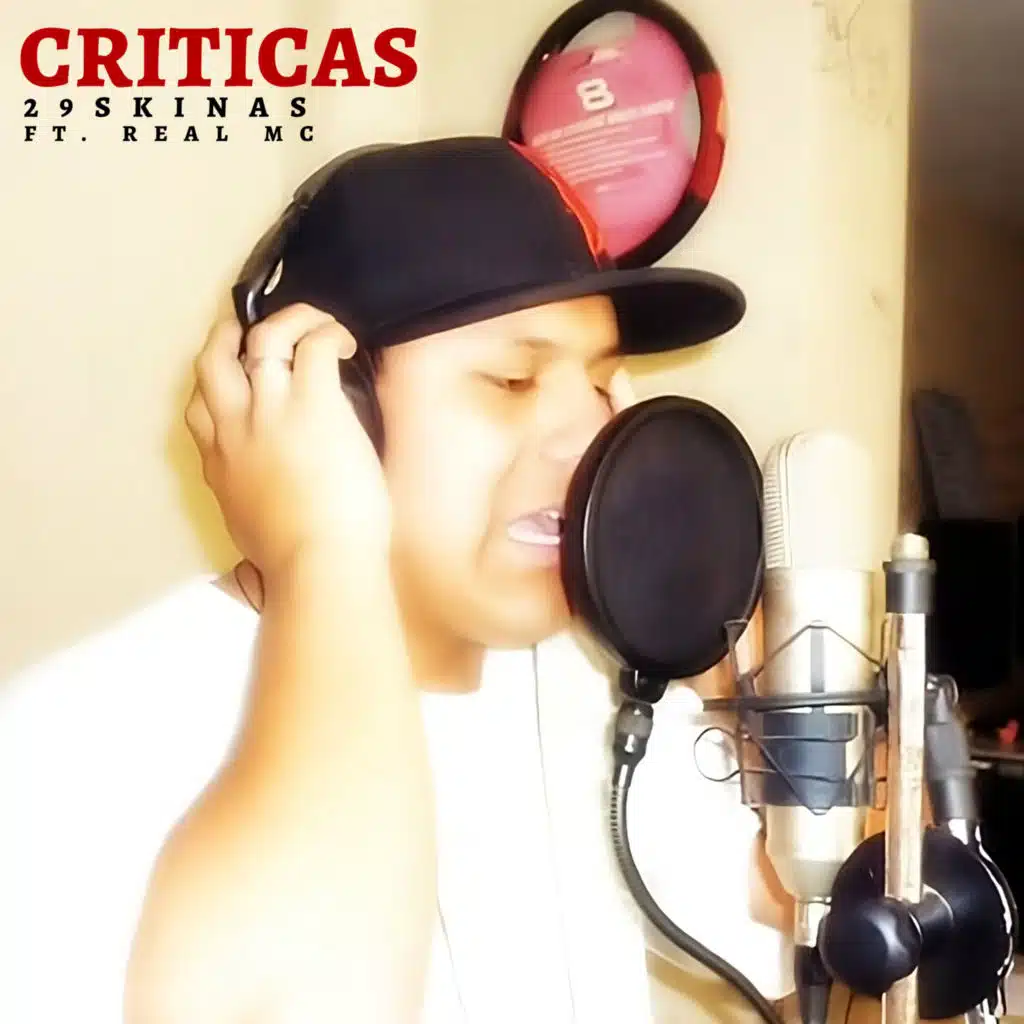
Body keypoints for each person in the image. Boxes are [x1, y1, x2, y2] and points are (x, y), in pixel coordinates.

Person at [0, 136, 795, 1024]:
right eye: (513, 379)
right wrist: (323, 552)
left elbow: (821, 914)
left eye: (602, 385)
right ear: (337, 408)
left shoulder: (594, 687)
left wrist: (750, 672)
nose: (591, 441)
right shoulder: (68, 746)